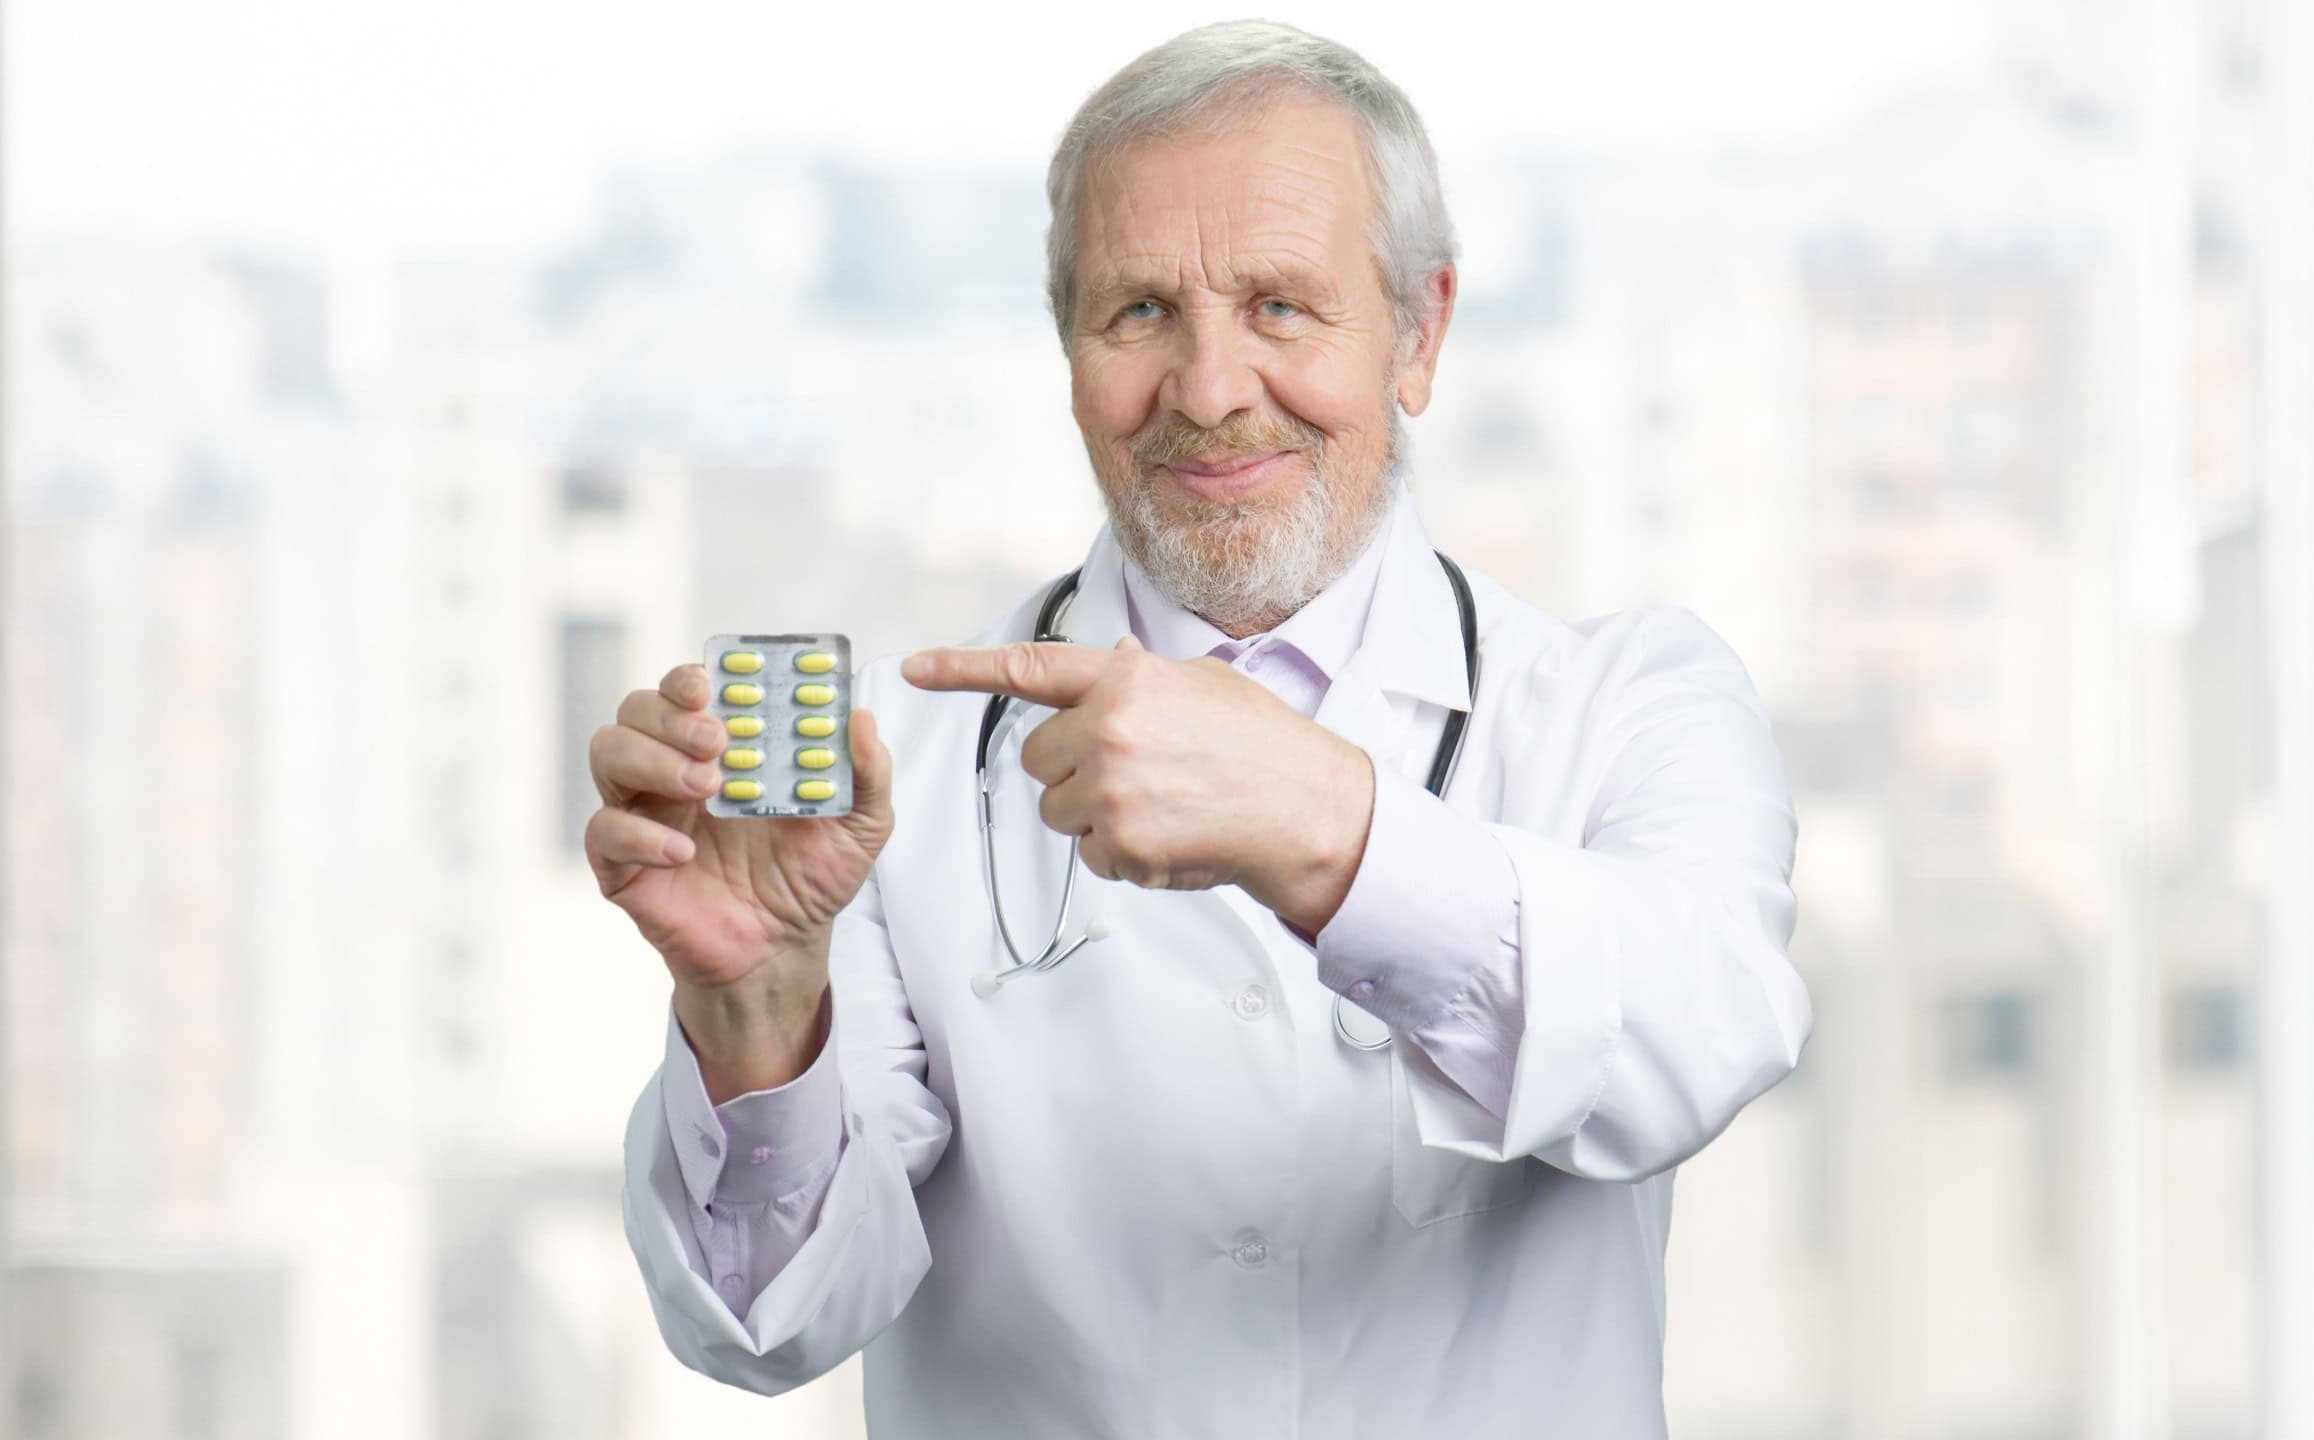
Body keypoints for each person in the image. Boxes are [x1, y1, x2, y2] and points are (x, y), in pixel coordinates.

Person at [586, 19, 1810, 1436]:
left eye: (1283, 306)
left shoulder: (1633, 703)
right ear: (1068, 355)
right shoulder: (890, 777)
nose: (1213, 389)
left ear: (1420, 333)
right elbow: (771, 1323)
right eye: (1140, 313)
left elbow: (1700, 1035)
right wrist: (752, 1007)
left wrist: (1324, 830)